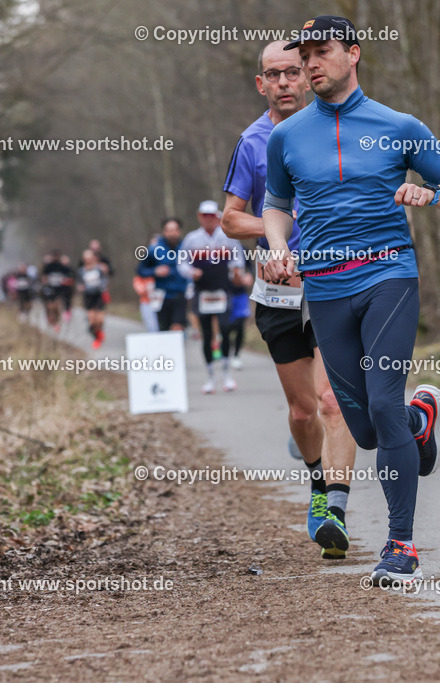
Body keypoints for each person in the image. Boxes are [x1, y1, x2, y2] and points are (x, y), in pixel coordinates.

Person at [263, 16, 440, 586]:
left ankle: (400, 548)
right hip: (324, 286)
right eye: (304, 54)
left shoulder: (398, 125)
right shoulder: (287, 136)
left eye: (322, 52)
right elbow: (276, 206)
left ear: (352, 54)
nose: (310, 64)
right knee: (368, 428)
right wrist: (279, 246)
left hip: (388, 276)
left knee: (381, 404)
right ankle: (420, 419)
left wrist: (428, 192)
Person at [222, 40, 357, 558]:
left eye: (292, 73)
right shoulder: (253, 142)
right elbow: (232, 218)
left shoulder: (340, 131)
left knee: (331, 402)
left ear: (309, 77)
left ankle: (335, 509)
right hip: (277, 292)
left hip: (333, 285)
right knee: (303, 413)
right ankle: (318, 483)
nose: (283, 82)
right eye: (272, 75)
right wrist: (279, 229)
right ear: (262, 84)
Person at [178, 200, 252, 394]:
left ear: (217, 216)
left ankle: (227, 374)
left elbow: (238, 259)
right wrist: (191, 272)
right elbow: (181, 263)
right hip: (202, 291)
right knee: (206, 335)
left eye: (212, 216)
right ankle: (210, 377)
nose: (208, 220)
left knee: (226, 329)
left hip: (223, 290)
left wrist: (236, 272)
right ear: (199, 217)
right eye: (205, 216)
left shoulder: (227, 237)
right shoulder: (192, 239)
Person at [137, 219, 189, 332]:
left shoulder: (186, 247)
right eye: (169, 230)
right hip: (161, 296)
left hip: (180, 294)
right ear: (164, 232)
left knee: (178, 328)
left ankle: (177, 347)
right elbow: (140, 270)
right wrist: (155, 271)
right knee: (164, 330)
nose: (172, 234)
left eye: (175, 230)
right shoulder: (154, 249)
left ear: (179, 231)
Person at [77, 249, 109, 348]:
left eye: (90, 257)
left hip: (98, 295)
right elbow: (79, 282)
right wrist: (80, 286)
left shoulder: (99, 269)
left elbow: (105, 279)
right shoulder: (81, 271)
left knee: (100, 320)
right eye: (86, 258)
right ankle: (96, 338)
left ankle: (99, 334)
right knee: (92, 321)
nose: (88, 260)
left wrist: (103, 287)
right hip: (88, 296)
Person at [41, 249, 71, 332]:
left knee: (57, 307)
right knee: (50, 307)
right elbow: (44, 276)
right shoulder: (49, 266)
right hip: (50, 289)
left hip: (59, 290)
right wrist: (45, 285)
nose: (55, 258)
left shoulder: (62, 267)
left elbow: (69, 275)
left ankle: (56, 322)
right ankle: (51, 319)